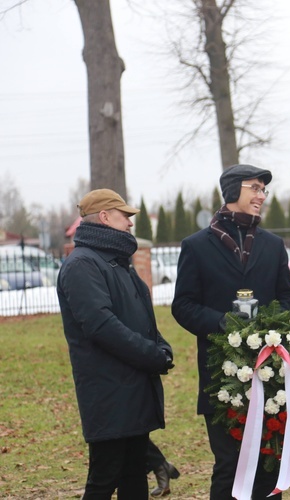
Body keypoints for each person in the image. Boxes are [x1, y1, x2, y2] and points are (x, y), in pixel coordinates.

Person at [171, 164, 290, 500]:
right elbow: (182, 305)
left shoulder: (273, 245)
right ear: (232, 192)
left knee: (268, 462)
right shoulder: (196, 246)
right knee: (229, 464)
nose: (261, 196)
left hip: (269, 372)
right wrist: (224, 322)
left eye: (263, 190)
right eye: (254, 188)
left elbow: (289, 297)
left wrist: (270, 324)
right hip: (221, 375)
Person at [57, 189, 174, 499]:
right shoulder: (83, 265)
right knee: (105, 476)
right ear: (106, 217)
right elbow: (101, 325)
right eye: (126, 216)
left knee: (134, 472)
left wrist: (160, 346)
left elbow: (140, 317)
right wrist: (151, 354)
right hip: (108, 391)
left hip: (133, 387)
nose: (131, 223)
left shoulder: (116, 262)